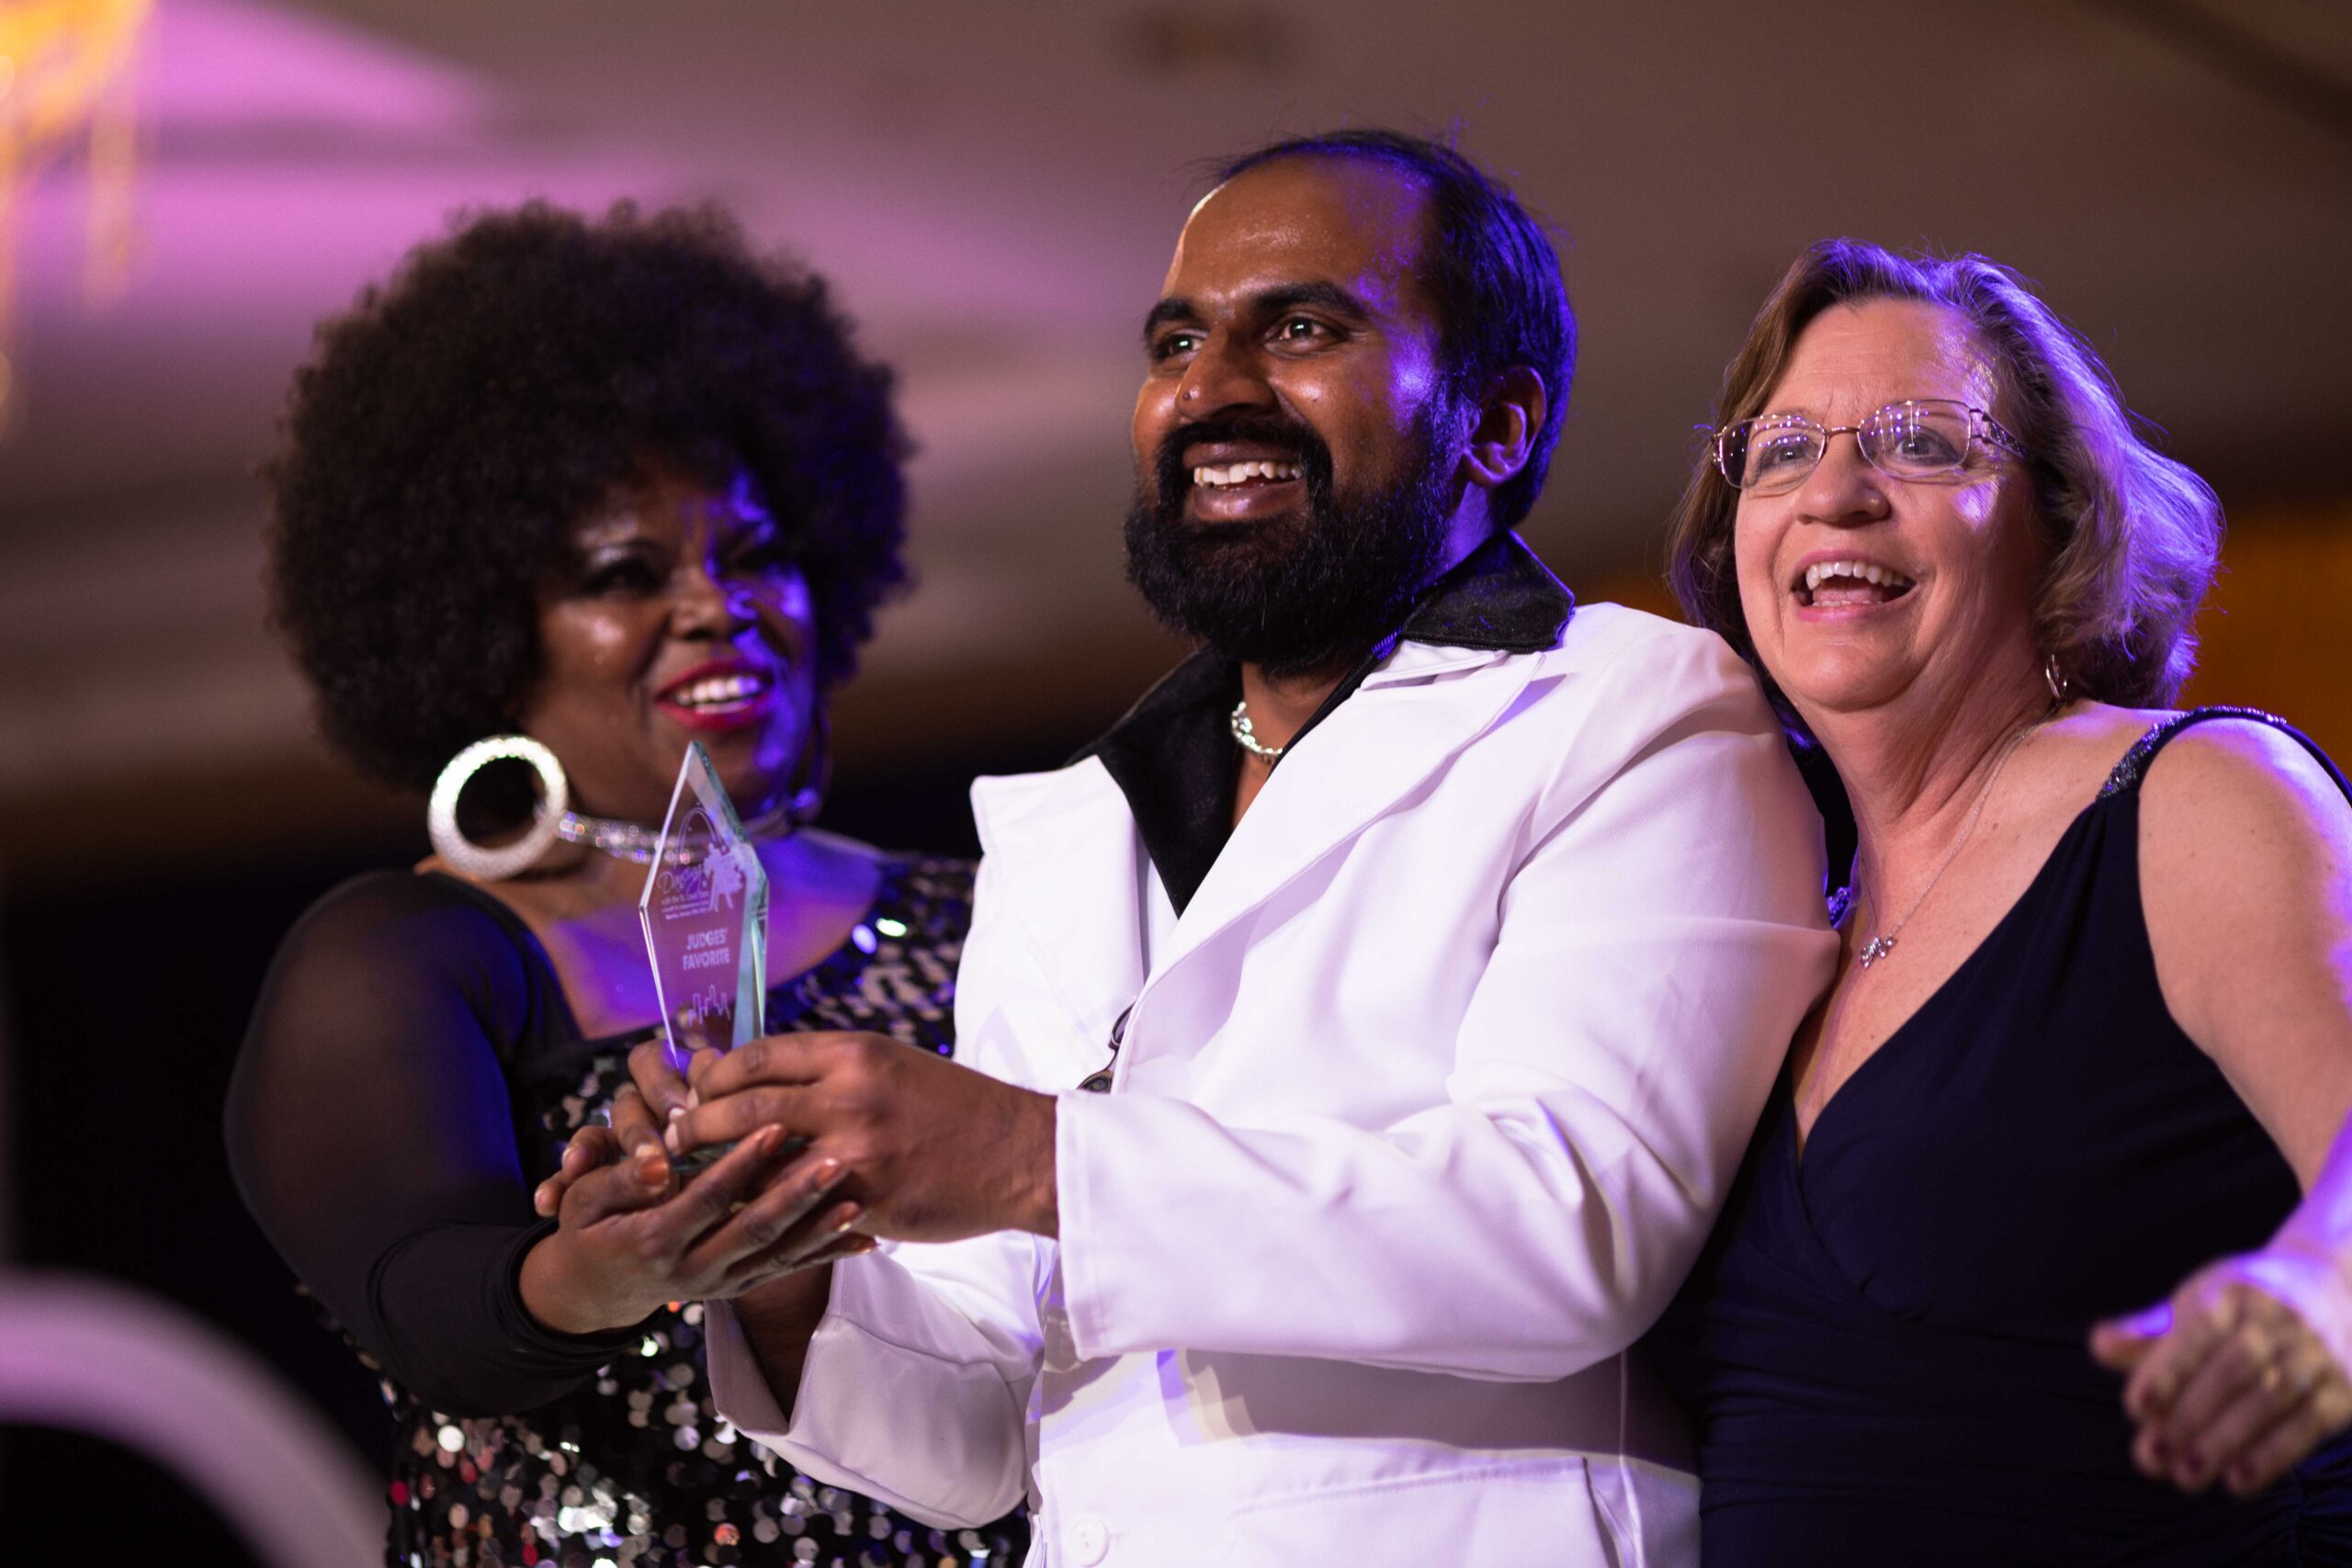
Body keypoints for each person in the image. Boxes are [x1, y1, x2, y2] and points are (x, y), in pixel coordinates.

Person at [562, 130, 1838, 1566]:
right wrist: (768, 1250)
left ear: (1496, 422)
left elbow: (1573, 1231)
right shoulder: (1071, 831)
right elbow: (983, 1431)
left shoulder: (1635, 710)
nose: (1213, 391)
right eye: (1177, 340)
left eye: (1301, 327)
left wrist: (1033, 1157)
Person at [223, 203, 1027, 1568]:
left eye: (755, 552)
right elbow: (430, 1304)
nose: (716, 604)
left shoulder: (985, 911)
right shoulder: (413, 953)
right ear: (476, 630)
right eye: (621, 574)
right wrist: (600, 1274)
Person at [1651, 237, 2352, 1562]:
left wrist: (2320, 1288)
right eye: (1782, 448)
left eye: (1921, 442)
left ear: (2064, 519)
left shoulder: (2191, 801)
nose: (1835, 494)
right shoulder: (1785, 909)